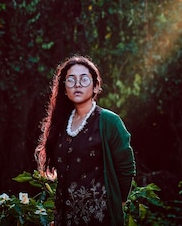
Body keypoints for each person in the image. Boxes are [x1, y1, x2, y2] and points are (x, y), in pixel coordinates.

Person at [35, 55, 136, 226]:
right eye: (71, 80)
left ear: (96, 87)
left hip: (100, 217)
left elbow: (126, 168)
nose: (77, 84)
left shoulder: (109, 121)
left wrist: (118, 205)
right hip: (65, 218)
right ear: (64, 89)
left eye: (84, 79)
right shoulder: (60, 123)